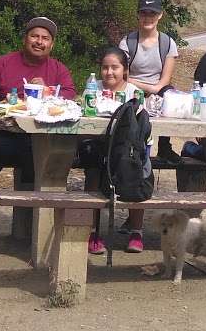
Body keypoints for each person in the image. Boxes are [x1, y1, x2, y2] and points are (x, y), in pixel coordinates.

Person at [0, 16, 76, 247]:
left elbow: (69, 97)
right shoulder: (2, 65)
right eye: (34, 36)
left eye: (45, 38)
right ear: (25, 38)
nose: (39, 42)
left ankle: (40, 234)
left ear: (52, 44)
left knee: (51, 174)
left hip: (39, 142)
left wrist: (47, 91)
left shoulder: (58, 69)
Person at [85, 46, 147, 255]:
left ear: (125, 70)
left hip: (127, 149)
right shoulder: (92, 89)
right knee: (93, 172)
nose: (109, 72)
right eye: (105, 67)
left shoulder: (134, 93)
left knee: (135, 171)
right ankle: (93, 231)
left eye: (115, 67)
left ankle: (136, 232)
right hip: (98, 145)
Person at [119, 0, 179, 165]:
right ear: (138, 15)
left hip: (158, 92)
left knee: (170, 94)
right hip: (131, 91)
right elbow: (122, 76)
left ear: (160, 15)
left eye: (152, 13)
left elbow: (165, 81)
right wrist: (141, 87)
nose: (148, 18)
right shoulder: (127, 42)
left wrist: (150, 89)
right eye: (144, 13)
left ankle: (164, 146)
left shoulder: (168, 43)